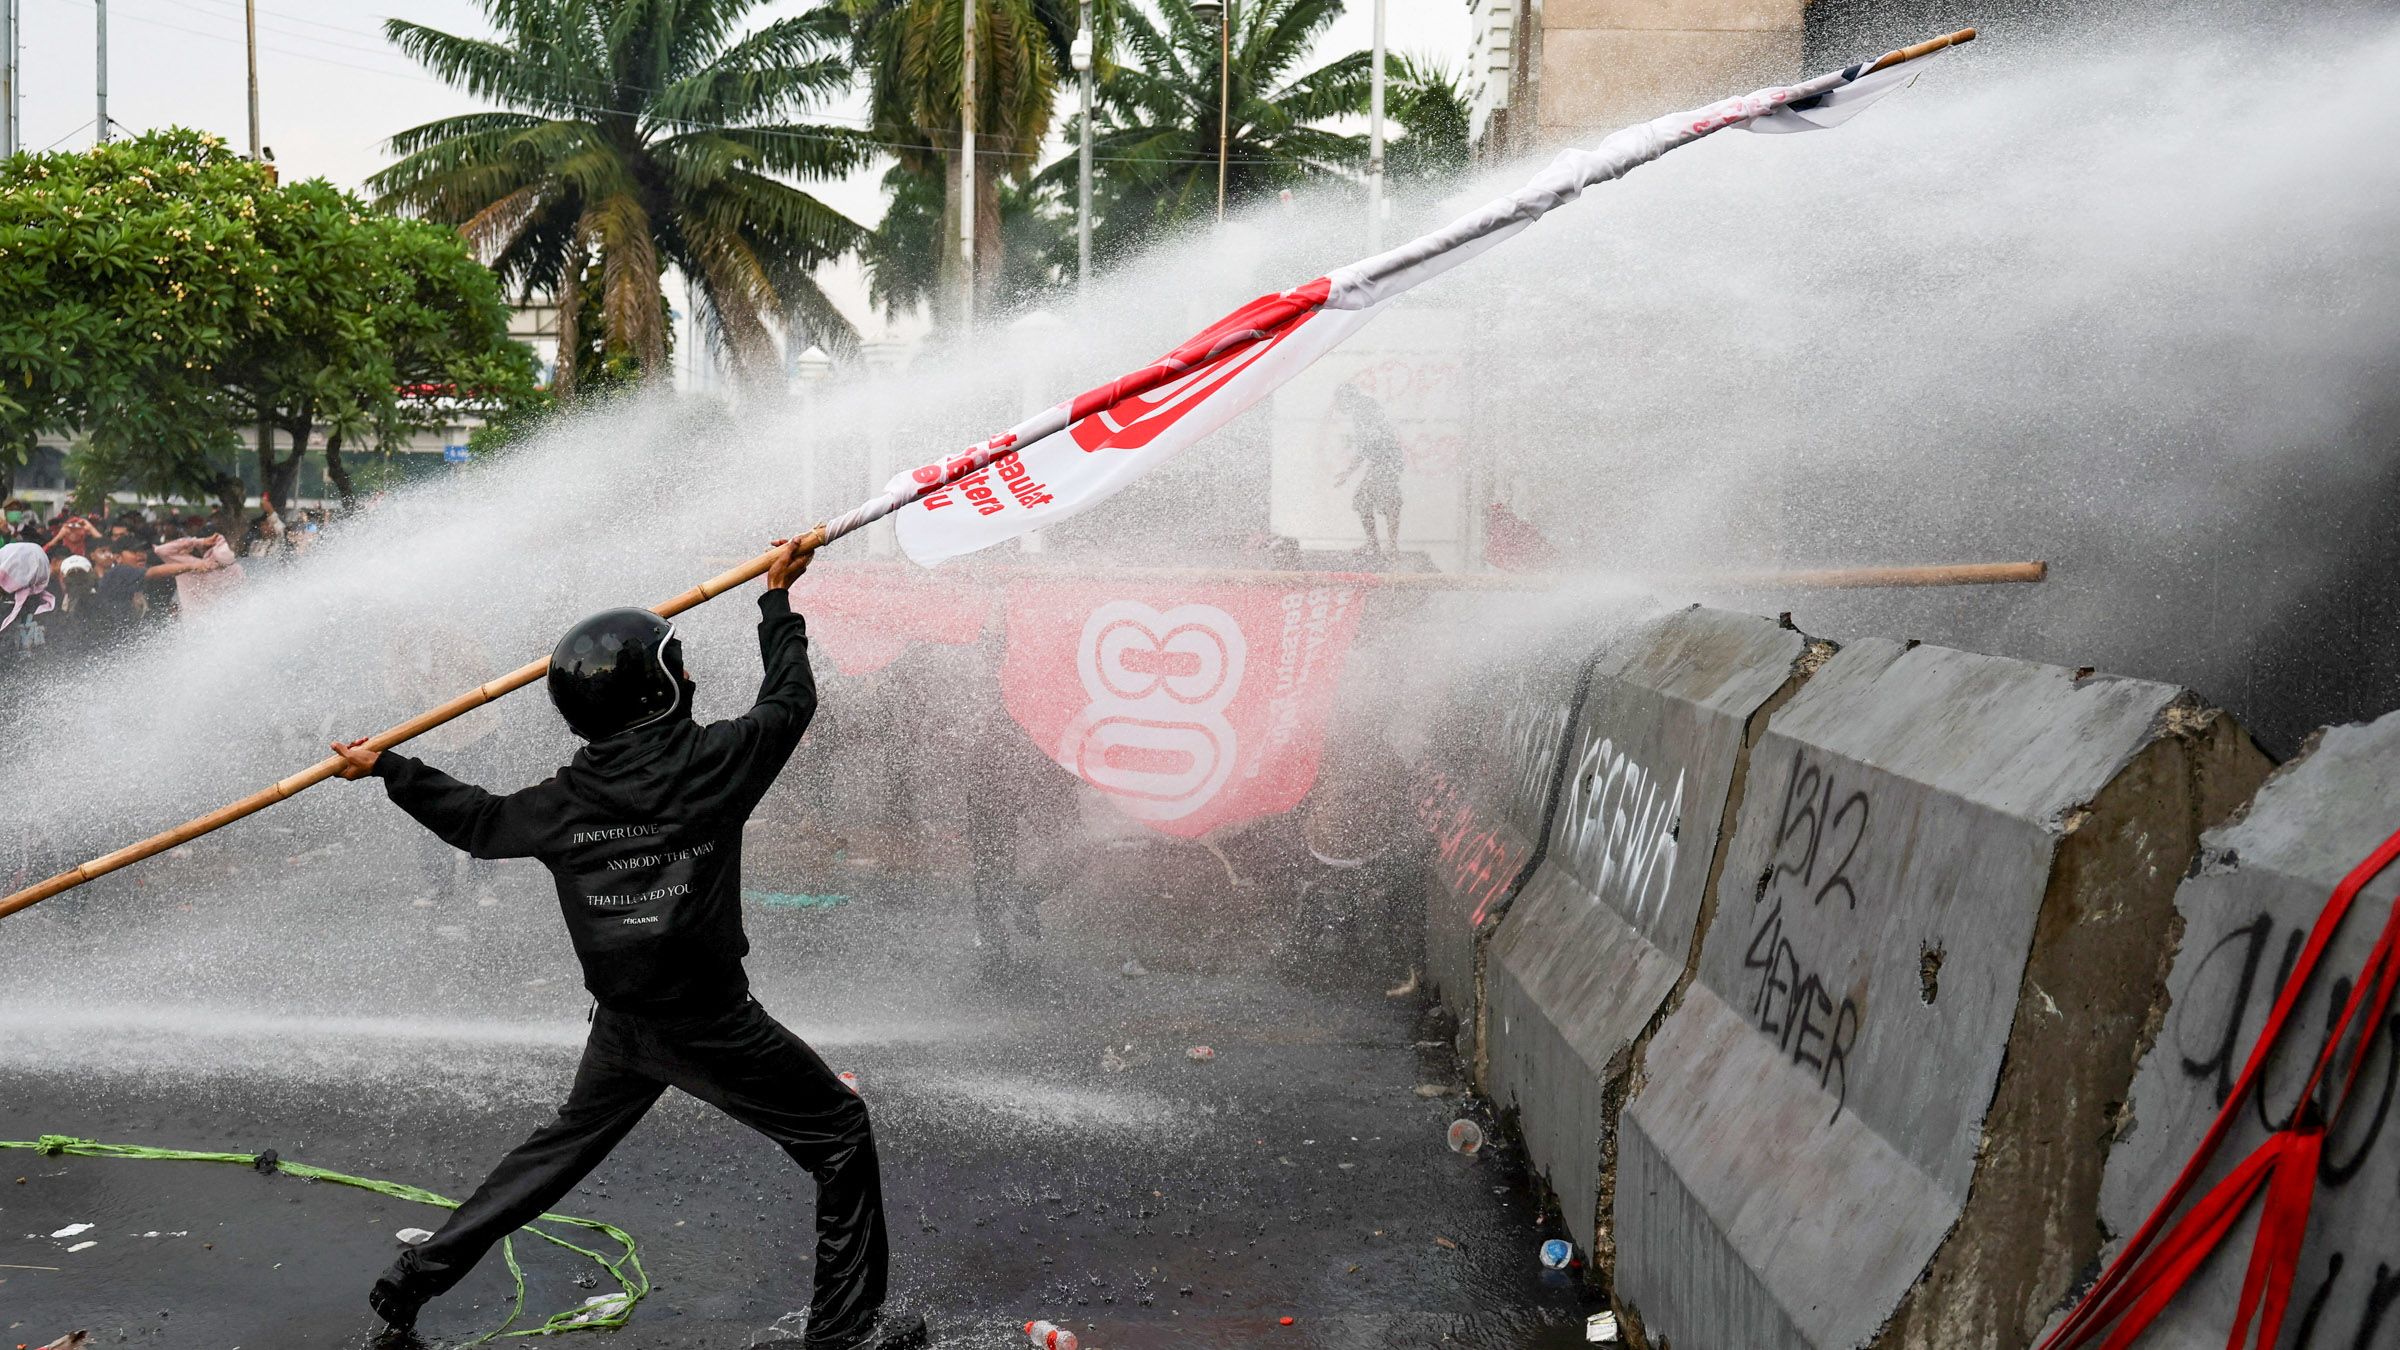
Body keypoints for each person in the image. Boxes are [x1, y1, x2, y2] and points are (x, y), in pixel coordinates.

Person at [330, 538, 924, 1350]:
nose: (691, 676)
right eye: (679, 666)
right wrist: (775, 600)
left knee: (555, 1157)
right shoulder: (716, 763)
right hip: (709, 1021)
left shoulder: (561, 802)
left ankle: (409, 1283)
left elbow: (476, 820)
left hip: (625, 1020)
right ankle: (844, 1335)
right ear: (659, 689)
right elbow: (790, 699)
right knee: (840, 1134)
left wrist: (390, 769)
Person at [1335, 385, 1404, 554]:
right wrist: (1348, 472)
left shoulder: (1362, 408)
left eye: (1339, 399)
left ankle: (1387, 546)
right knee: (1369, 500)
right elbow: (1368, 444)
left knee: (1383, 501)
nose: (1338, 404)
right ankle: (1381, 545)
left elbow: (1366, 446)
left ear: (1347, 397)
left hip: (1386, 462)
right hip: (1386, 462)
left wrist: (1348, 472)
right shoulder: (1363, 407)